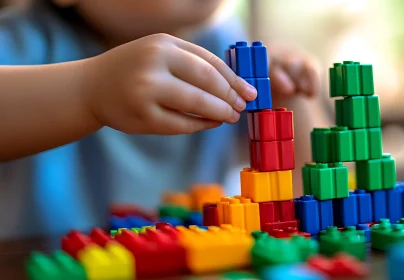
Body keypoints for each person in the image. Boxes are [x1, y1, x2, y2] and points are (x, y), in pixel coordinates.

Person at [0, 0, 323, 238]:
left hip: (184, 256)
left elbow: (305, 191)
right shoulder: (22, 41)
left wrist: (286, 101)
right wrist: (88, 89)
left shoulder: (222, 44)